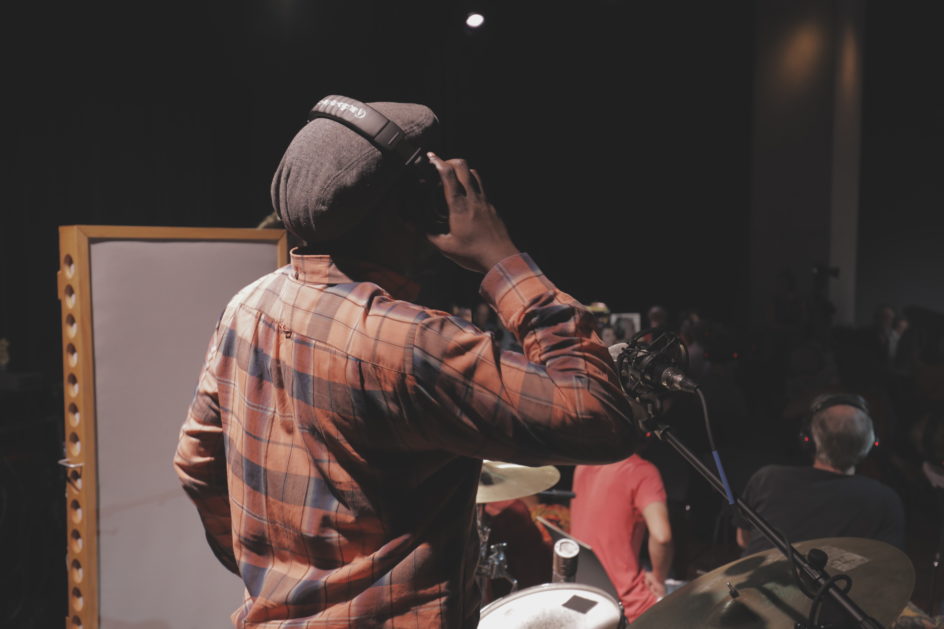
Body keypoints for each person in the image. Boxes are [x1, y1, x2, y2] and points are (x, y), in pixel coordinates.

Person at [173, 96, 637, 628]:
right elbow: (600, 421)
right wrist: (500, 257)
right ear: (410, 207)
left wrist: (277, 579)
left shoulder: (247, 306)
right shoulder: (411, 345)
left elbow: (196, 465)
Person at [735, 393, 905, 556]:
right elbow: (886, 564)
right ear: (870, 443)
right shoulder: (884, 499)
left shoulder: (767, 478)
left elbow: (744, 540)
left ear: (808, 438)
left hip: (758, 585)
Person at [569, 451, 673, 623]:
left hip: (584, 597)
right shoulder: (642, 471)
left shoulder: (582, 465)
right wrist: (658, 579)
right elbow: (662, 537)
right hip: (624, 605)